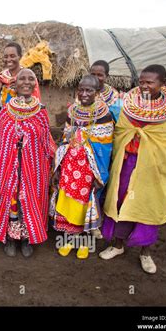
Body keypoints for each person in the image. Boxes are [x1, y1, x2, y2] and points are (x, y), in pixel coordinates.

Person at [100, 65, 166, 274]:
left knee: (148, 205)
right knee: (120, 202)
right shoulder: (130, 103)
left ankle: (145, 253)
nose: (144, 86)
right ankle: (117, 245)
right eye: (141, 82)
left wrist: (145, 140)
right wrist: (132, 138)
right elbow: (121, 130)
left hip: (152, 167)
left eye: (150, 82)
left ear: (162, 84)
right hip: (128, 163)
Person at [0, 68, 56, 257]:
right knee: (11, 200)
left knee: (28, 200)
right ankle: (11, 239)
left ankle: (27, 239)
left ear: (35, 84)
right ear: (14, 84)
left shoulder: (41, 111)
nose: (26, 82)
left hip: (33, 168)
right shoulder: (5, 111)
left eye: (31, 79)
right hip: (9, 167)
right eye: (22, 79)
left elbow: (46, 141)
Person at [50, 75, 114, 259]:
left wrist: (97, 175)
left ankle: (85, 242)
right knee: (70, 202)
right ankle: (71, 240)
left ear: (97, 92)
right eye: (81, 89)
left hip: (88, 171)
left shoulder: (104, 114)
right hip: (70, 168)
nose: (84, 93)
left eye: (89, 90)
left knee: (85, 204)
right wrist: (60, 167)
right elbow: (66, 138)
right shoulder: (73, 111)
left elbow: (104, 147)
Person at [0, 42, 40, 129]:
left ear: (20, 56)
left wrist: (20, 92)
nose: (8, 59)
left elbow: (35, 107)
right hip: (3, 128)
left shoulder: (28, 78)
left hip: (25, 128)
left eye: (12, 56)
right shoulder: (0, 78)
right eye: (6, 56)